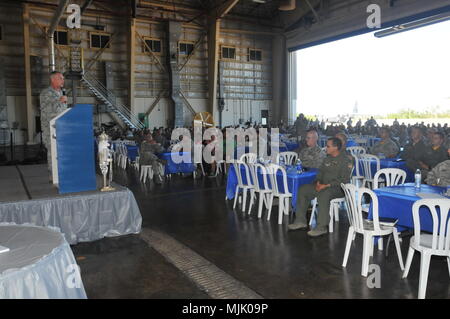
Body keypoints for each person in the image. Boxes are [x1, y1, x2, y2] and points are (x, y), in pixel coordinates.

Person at [288, 137, 354, 237]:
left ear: (335, 147)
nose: (326, 148)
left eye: (328, 146)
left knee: (324, 194)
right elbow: (320, 173)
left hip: (338, 188)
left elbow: (344, 180)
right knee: (303, 189)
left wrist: (326, 185)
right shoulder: (327, 158)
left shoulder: (345, 160)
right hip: (322, 185)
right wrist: (318, 182)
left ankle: (321, 227)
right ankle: (300, 221)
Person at [39, 71, 68, 181]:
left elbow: (63, 111)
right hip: (50, 128)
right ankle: (53, 174)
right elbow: (46, 110)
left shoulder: (62, 93)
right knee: (52, 151)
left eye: (63, 78)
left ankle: (61, 172)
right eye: (60, 78)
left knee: (61, 150)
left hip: (62, 127)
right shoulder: (45, 93)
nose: (63, 81)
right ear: (53, 79)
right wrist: (59, 101)